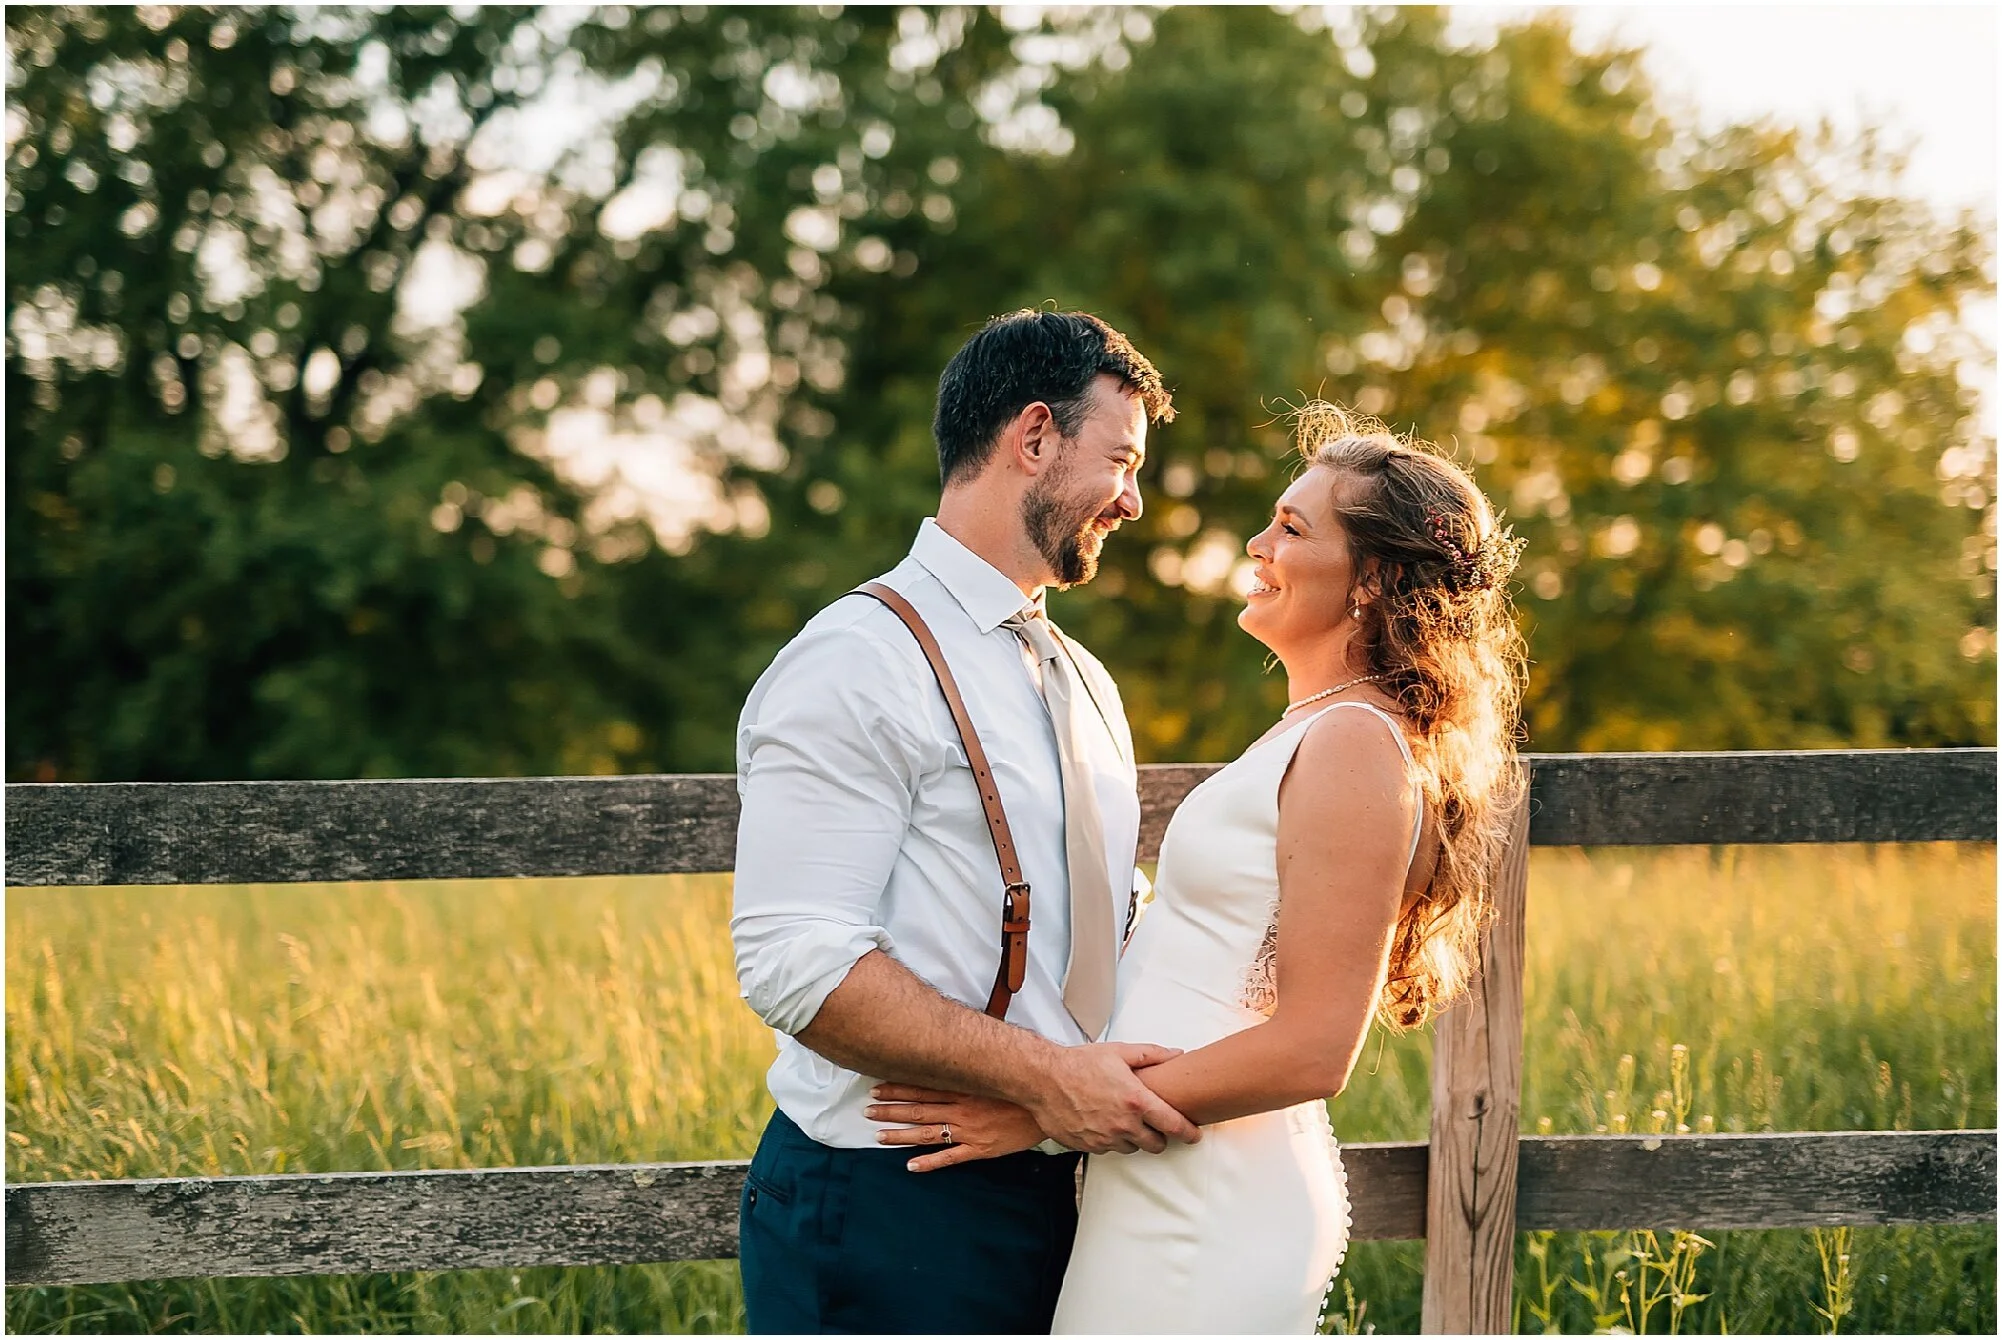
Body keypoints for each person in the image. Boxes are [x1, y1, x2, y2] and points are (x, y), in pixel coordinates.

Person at [866, 401, 1527, 1333]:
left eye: (1292, 528)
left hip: (1206, 1194)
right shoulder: (1320, 730)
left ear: (1374, 579)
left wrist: (1051, 1110)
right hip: (1166, 1167)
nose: (1258, 541)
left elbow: (1314, 1047)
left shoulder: (1354, 744)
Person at [730, 309, 1186, 1333]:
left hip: (1057, 1193)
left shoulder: (1080, 675)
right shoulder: (856, 657)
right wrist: (1050, 1078)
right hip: (887, 1209)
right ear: (1033, 438)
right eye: (1119, 459)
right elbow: (795, 960)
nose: (1134, 499)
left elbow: (1101, 924)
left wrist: (1054, 1102)